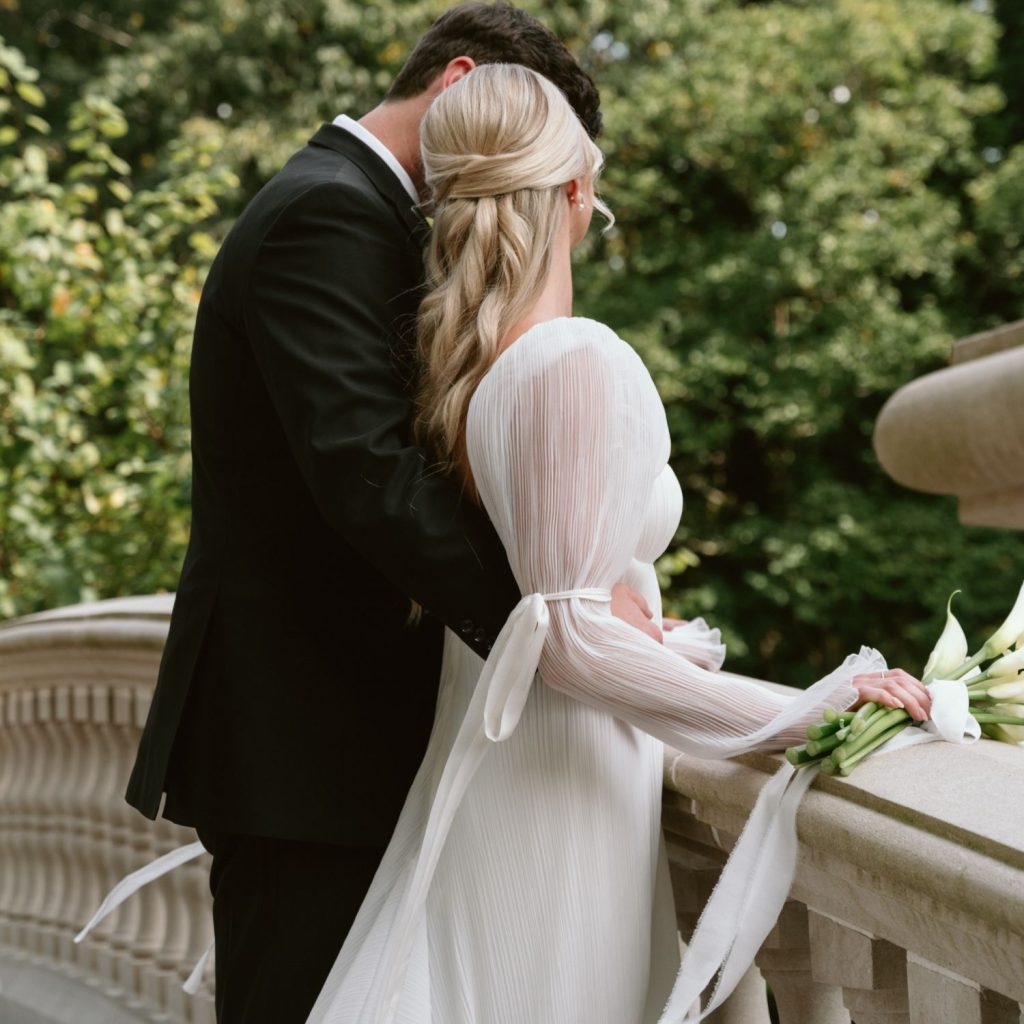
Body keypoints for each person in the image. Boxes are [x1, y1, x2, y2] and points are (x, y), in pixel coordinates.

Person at [300, 63, 933, 1024]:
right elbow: (568, 640)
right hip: (557, 789)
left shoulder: (480, 372)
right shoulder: (573, 358)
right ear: (576, 190)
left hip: (530, 765)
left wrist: (639, 628)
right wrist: (805, 711)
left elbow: (562, 603)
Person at [91, 5, 661, 1023]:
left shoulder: (359, 209)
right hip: (307, 745)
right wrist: (552, 623)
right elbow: (369, 475)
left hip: (340, 738)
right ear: (456, 80)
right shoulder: (328, 212)